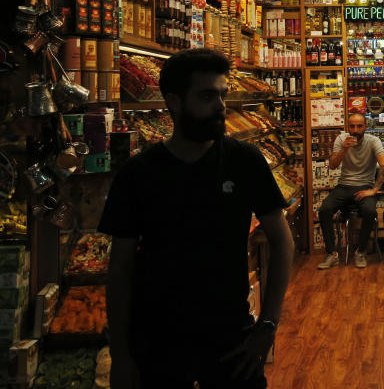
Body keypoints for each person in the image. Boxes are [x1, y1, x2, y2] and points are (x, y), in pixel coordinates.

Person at [100, 48, 294, 389]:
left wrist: (267, 326)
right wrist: (122, 356)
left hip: (231, 337)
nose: (221, 106)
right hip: (158, 342)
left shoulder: (244, 161)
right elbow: (120, 269)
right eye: (207, 96)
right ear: (174, 102)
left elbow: (282, 241)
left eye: (222, 94)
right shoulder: (138, 173)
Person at [316, 113, 384, 269]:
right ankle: (332, 253)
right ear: (347, 127)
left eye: (359, 126)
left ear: (365, 127)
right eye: (352, 126)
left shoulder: (373, 141)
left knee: (370, 212)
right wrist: (344, 149)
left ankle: (360, 251)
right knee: (324, 210)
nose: (355, 130)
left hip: (365, 186)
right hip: (344, 185)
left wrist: (374, 190)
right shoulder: (341, 139)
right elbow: (333, 166)